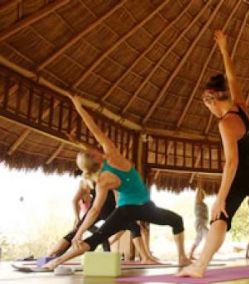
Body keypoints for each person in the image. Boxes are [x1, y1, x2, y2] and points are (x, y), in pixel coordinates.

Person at [178, 30, 249, 278]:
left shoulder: (226, 123)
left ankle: (200, 266)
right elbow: (232, 76)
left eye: (208, 106)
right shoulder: (241, 106)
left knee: (219, 218)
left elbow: (232, 163)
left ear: (211, 100)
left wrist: (220, 199)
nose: (210, 111)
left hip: (243, 175)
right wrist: (225, 50)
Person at [43, 95, 190, 270]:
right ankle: (182, 258)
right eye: (92, 150)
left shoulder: (101, 180)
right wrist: (80, 108)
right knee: (176, 220)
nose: (95, 148)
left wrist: (80, 232)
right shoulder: (113, 157)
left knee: (95, 239)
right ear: (95, 156)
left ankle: (55, 262)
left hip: (125, 210)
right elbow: (95, 130)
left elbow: (95, 210)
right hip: (145, 206)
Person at [46, 178, 114, 257]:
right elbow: (74, 201)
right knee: (102, 233)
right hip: (106, 208)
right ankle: (51, 256)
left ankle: (50, 256)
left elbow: (74, 200)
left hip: (100, 209)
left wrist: (77, 218)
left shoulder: (85, 182)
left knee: (76, 233)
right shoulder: (104, 176)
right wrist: (77, 218)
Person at [189, 187, 209, 259]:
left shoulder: (203, 203)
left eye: (203, 194)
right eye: (201, 194)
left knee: (198, 239)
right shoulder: (197, 202)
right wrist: (200, 186)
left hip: (203, 223)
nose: (202, 195)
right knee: (209, 236)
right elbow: (198, 194)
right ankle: (205, 255)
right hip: (200, 222)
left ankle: (190, 255)